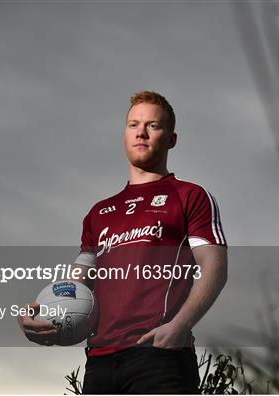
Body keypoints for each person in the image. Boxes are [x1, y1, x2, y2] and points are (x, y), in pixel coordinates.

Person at [17, 91, 228, 394]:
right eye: (133, 124)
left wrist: (179, 326)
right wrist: (44, 312)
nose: (141, 132)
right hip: (99, 363)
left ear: (171, 139)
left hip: (159, 356)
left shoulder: (190, 196)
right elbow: (77, 280)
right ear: (125, 134)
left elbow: (214, 269)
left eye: (153, 125)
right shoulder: (99, 213)